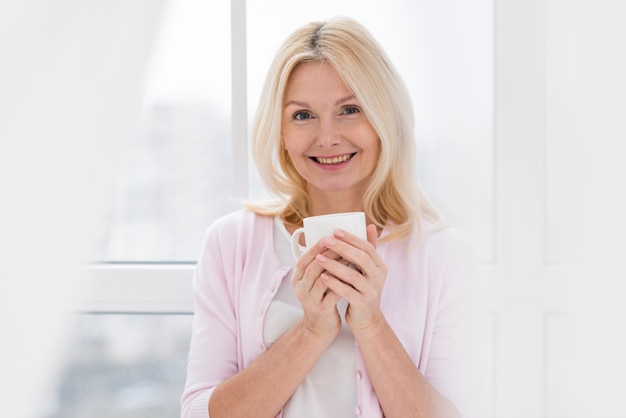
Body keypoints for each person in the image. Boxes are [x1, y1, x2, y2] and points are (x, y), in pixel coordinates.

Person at [181, 16, 480, 418]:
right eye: (302, 115)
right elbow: (200, 412)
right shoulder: (232, 244)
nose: (327, 138)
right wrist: (311, 331)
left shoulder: (442, 255)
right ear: (281, 133)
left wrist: (370, 322)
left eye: (350, 109)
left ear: (383, 121)